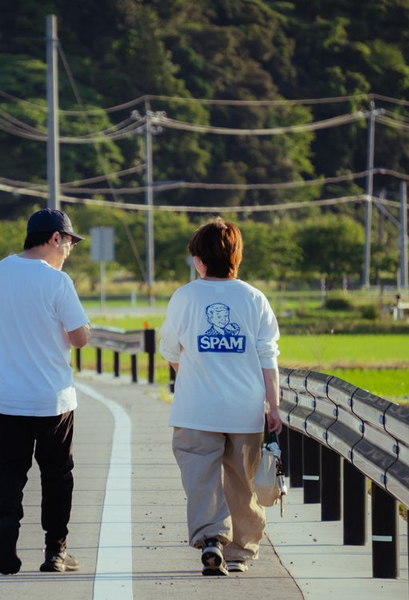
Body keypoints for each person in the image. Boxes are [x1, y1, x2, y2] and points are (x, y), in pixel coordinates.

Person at [0, 208, 91, 575]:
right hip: (51, 398)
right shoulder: (57, 282)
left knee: (9, 470)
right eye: (69, 241)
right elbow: (80, 338)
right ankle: (55, 551)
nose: (69, 249)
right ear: (55, 238)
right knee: (57, 475)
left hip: (5, 397)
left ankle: (7, 530)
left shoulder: (0, 271)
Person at [158, 217, 282, 576]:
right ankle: (241, 551)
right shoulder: (254, 298)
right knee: (242, 483)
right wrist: (273, 408)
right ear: (237, 258)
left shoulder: (184, 297)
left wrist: (193, 376)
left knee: (201, 479)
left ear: (199, 260)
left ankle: (212, 537)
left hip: (195, 410)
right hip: (244, 411)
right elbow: (267, 357)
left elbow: (170, 350)